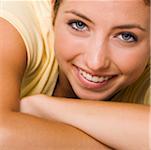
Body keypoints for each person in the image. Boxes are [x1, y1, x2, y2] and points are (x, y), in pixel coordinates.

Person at [0, 0, 150, 149]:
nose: (95, 63)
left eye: (126, 36)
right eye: (79, 25)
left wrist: (47, 108)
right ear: (53, 9)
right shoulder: (16, 19)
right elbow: (3, 135)